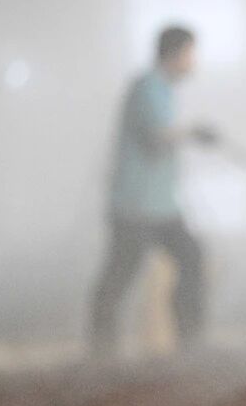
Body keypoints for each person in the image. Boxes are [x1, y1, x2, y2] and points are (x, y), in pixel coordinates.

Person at [90, 25, 219, 357]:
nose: (193, 63)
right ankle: (102, 352)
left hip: (161, 206)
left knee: (191, 258)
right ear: (175, 53)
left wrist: (191, 135)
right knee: (120, 274)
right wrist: (194, 133)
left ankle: (191, 342)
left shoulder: (164, 90)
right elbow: (155, 136)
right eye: (190, 54)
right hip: (135, 206)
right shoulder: (146, 87)